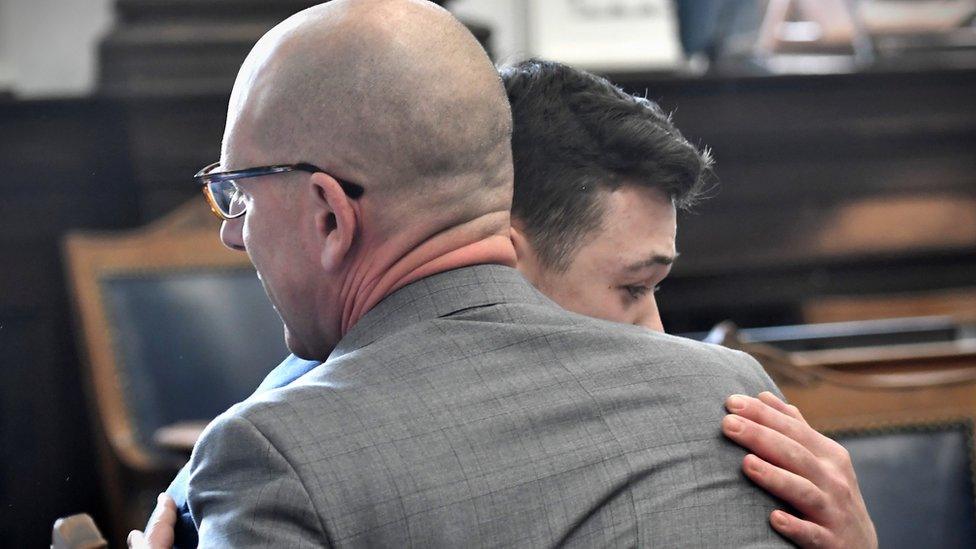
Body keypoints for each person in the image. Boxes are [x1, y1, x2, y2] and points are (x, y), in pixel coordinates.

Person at [131, 6, 874, 547]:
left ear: (329, 214)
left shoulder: (271, 456)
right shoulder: (729, 394)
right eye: (631, 286)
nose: (232, 230)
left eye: (241, 195)